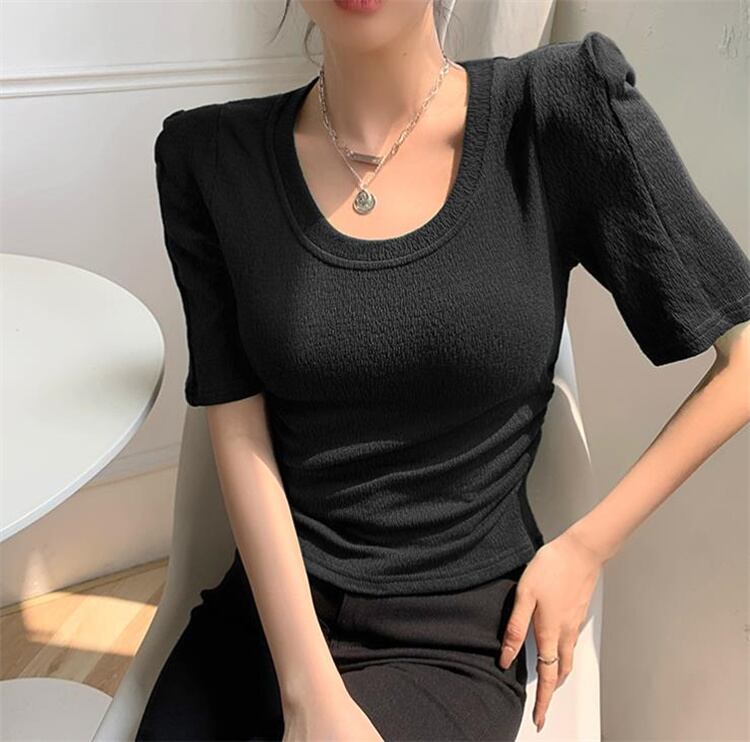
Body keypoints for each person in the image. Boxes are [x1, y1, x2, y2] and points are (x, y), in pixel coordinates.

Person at [136, 1, 750, 740]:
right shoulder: (209, 158)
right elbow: (235, 421)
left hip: (452, 632)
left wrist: (587, 547)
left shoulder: (555, 111)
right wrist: (307, 694)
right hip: (272, 610)